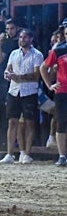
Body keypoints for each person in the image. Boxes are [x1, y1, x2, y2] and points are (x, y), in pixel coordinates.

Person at [0, 29, 44, 164]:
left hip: (29, 91)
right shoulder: (13, 53)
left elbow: (36, 75)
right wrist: (7, 74)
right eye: (20, 37)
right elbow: (8, 68)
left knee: (30, 122)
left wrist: (18, 77)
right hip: (14, 91)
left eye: (25, 37)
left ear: (31, 39)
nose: (22, 39)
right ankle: (10, 153)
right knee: (12, 122)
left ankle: (27, 154)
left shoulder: (37, 55)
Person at [40, 23, 67, 166]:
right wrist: (50, 85)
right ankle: (62, 155)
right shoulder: (59, 50)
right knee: (61, 123)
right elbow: (43, 67)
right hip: (62, 91)